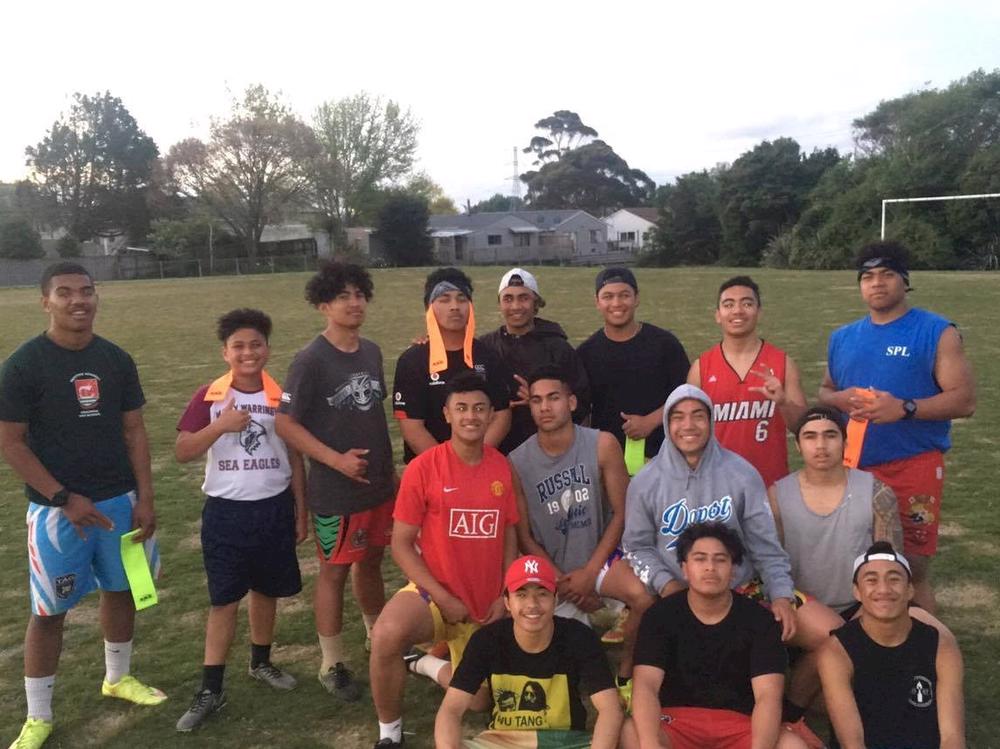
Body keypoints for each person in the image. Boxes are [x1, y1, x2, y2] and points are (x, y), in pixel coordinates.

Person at [0, 262, 166, 749]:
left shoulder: (115, 359)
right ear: (45, 302)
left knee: (122, 590)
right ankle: (39, 716)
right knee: (49, 611)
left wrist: (146, 497)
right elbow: (10, 443)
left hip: (120, 502)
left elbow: (134, 431)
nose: (78, 300)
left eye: (87, 291)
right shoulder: (23, 365)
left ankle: (117, 678)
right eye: (65, 292)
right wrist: (62, 497)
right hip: (57, 514)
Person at [623, 384, 838, 746]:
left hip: (742, 584)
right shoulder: (647, 480)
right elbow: (636, 546)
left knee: (833, 637)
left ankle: (787, 712)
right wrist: (666, 584)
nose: (688, 425)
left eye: (698, 416)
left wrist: (781, 595)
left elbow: (765, 545)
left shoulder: (740, 472)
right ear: (667, 423)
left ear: (711, 421)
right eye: (678, 417)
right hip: (677, 589)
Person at [818, 241, 976, 611]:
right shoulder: (842, 337)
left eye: (887, 274)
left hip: (913, 466)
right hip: (855, 468)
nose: (877, 283)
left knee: (910, 568)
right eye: (868, 277)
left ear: (904, 281)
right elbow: (825, 390)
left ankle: (924, 643)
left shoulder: (936, 331)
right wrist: (839, 399)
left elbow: (964, 400)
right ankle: (867, 638)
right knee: (859, 562)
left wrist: (903, 408)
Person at [369, 372, 519, 749]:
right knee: (386, 634)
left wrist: (504, 595)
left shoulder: (502, 467)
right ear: (447, 414)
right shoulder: (423, 468)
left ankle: (422, 663)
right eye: (462, 408)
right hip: (434, 594)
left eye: (479, 408)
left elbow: (508, 536)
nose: (471, 416)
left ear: (491, 415)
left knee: (480, 701)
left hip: (483, 605)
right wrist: (442, 596)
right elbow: (401, 545)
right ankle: (389, 732)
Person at [174, 309, 307, 731]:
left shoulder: (281, 397)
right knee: (224, 600)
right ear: (225, 352)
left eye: (256, 344)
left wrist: (301, 510)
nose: (248, 353)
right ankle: (211, 687)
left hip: (273, 508)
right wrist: (222, 426)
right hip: (226, 512)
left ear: (267, 349)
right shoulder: (209, 396)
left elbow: (295, 457)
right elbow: (183, 451)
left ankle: (260, 661)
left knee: (266, 590)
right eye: (238, 346)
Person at [275, 261, 397, 701]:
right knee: (335, 570)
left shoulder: (372, 352)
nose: (354, 303)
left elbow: (371, 414)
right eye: (343, 296)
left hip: (378, 485)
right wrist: (335, 460)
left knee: (372, 561)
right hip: (336, 490)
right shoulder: (310, 360)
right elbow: (284, 423)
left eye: (359, 294)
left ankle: (377, 636)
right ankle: (331, 663)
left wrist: (388, 470)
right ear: (323, 305)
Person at [508, 365, 652, 685]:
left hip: (601, 561)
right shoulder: (516, 462)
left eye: (553, 398)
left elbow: (622, 513)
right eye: (536, 400)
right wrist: (562, 583)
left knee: (643, 597)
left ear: (571, 402)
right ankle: (590, 621)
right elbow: (524, 537)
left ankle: (626, 675)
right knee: (562, 665)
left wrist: (589, 573)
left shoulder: (602, 443)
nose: (545, 407)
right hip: (553, 570)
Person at [622, 522, 807, 749]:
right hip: (676, 721)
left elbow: (768, 696)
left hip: (741, 724)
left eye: (720, 560)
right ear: (684, 568)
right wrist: (651, 744)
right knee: (632, 733)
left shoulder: (760, 620)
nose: (710, 567)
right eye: (700, 559)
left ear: (733, 570)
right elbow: (646, 685)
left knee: (792, 745)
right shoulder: (659, 616)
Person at [435, 555, 623, 749]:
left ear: (555, 599)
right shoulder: (486, 640)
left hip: (565, 741)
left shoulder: (579, 636)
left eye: (542, 594)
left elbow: (609, 709)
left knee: (621, 736)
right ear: (507, 602)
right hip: (502, 742)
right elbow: (451, 709)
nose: (532, 604)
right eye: (521, 595)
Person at [817, 543, 966, 749]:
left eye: (894, 579)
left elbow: (952, 737)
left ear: (910, 590)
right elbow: (852, 743)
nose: (884, 589)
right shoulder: (837, 651)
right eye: (871, 580)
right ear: (857, 592)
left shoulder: (940, 646)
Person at [768, 406, 903, 616]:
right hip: (801, 609)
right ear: (798, 445)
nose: (821, 445)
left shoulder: (876, 491)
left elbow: (891, 564)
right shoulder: (777, 495)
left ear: (845, 442)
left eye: (830, 435)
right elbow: (770, 562)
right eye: (810, 437)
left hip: (864, 607)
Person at [688, 275, 807, 488]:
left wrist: (783, 402)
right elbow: (689, 432)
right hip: (717, 486)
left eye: (747, 304)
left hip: (770, 485)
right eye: (728, 304)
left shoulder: (782, 362)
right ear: (718, 315)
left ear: (759, 312)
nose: (737, 311)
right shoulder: (701, 368)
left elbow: (802, 427)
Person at [393, 267, 512, 463]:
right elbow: (412, 427)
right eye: (444, 299)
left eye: (462, 299)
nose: (455, 306)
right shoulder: (412, 360)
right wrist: (448, 467)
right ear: (429, 307)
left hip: (480, 465)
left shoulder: (488, 356)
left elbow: (501, 415)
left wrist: (474, 459)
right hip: (430, 468)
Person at [577, 267, 689, 469]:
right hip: (609, 463)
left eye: (624, 295)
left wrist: (650, 421)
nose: (616, 303)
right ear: (597, 302)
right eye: (608, 297)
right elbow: (581, 411)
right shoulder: (586, 353)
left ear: (636, 298)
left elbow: (686, 395)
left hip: (664, 459)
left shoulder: (665, 344)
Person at [479, 267, 590, 454]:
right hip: (496, 451)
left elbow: (581, 403)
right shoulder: (485, 347)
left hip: (549, 452)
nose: (516, 306)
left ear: (536, 302)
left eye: (523, 298)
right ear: (499, 303)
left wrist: (539, 399)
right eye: (508, 299)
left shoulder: (558, 348)